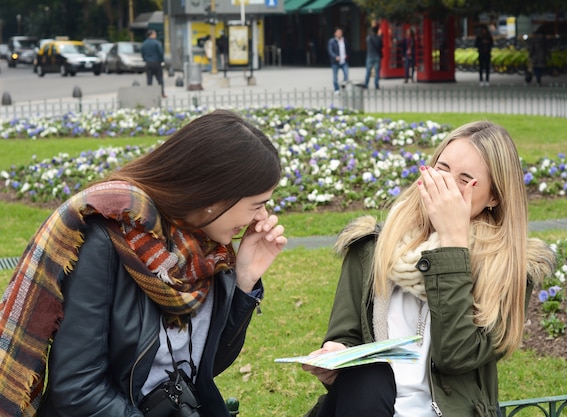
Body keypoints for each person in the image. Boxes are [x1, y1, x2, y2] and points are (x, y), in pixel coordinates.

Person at [0, 109, 288, 417]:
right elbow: (77, 390)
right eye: (256, 205)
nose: (260, 217)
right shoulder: (107, 238)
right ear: (214, 197)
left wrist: (243, 281)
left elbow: (205, 367)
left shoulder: (207, 250)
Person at [303, 121, 556, 417]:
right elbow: (346, 337)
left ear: (494, 197)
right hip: (369, 406)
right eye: (442, 168)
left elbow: (456, 356)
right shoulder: (372, 245)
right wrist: (335, 352)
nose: (445, 185)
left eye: (465, 179)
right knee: (368, 379)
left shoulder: (509, 269)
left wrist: (453, 245)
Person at [141, 29, 166, 98]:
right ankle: (162, 93)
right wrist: (162, 60)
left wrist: (145, 59)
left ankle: (150, 94)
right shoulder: (157, 43)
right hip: (156, 62)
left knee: (149, 79)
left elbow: (142, 53)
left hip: (148, 63)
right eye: (154, 34)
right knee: (160, 79)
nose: (156, 35)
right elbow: (160, 52)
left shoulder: (144, 43)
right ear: (151, 35)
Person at [328, 27, 349, 94]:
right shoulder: (332, 41)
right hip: (335, 62)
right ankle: (336, 89)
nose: (339, 34)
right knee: (335, 77)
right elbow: (330, 50)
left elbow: (348, 49)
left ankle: (343, 87)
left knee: (346, 74)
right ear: (335, 33)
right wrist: (335, 57)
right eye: (338, 32)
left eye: (340, 32)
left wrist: (347, 55)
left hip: (344, 61)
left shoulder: (344, 40)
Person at [364, 26, 383, 90]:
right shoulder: (379, 38)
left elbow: (366, 43)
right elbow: (381, 46)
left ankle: (366, 84)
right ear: (377, 31)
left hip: (369, 56)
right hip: (377, 56)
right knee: (377, 72)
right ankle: (376, 85)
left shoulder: (368, 38)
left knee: (368, 71)